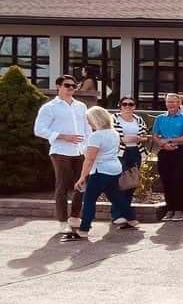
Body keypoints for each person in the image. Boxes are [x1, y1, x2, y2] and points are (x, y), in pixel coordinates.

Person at [65, 107, 132, 240]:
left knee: (89, 200)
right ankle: (132, 218)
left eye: (89, 120)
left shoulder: (96, 136)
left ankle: (84, 229)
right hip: (114, 169)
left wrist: (82, 177)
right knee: (116, 196)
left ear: (96, 120)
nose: (88, 123)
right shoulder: (114, 133)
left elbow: (90, 159)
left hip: (100, 170)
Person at [34, 75, 90, 234]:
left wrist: (89, 147)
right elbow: (39, 130)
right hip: (61, 152)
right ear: (58, 86)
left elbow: (87, 129)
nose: (71, 88)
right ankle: (62, 221)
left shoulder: (81, 106)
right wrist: (62, 136)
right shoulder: (49, 107)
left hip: (81, 151)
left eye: (74, 86)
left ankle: (74, 217)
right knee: (62, 186)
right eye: (67, 85)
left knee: (82, 184)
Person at [152, 93, 183, 221]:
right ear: (165, 103)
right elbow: (154, 135)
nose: (171, 104)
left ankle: (179, 210)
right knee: (166, 181)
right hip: (164, 151)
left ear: (179, 103)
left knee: (178, 180)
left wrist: (172, 140)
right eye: (168, 102)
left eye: (174, 102)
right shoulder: (160, 118)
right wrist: (162, 144)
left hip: (180, 152)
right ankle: (169, 209)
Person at [112, 96, 147, 226]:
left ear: (134, 106)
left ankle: (126, 214)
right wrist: (122, 139)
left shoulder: (138, 119)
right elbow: (112, 135)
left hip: (136, 152)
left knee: (131, 184)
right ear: (120, 106)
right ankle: (117, 214)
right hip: (120, 153)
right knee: (120, 184)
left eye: (130, 104)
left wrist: (138, 138)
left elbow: (145, 137)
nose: (127, 107)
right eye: (124, 104)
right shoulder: (114, 118)